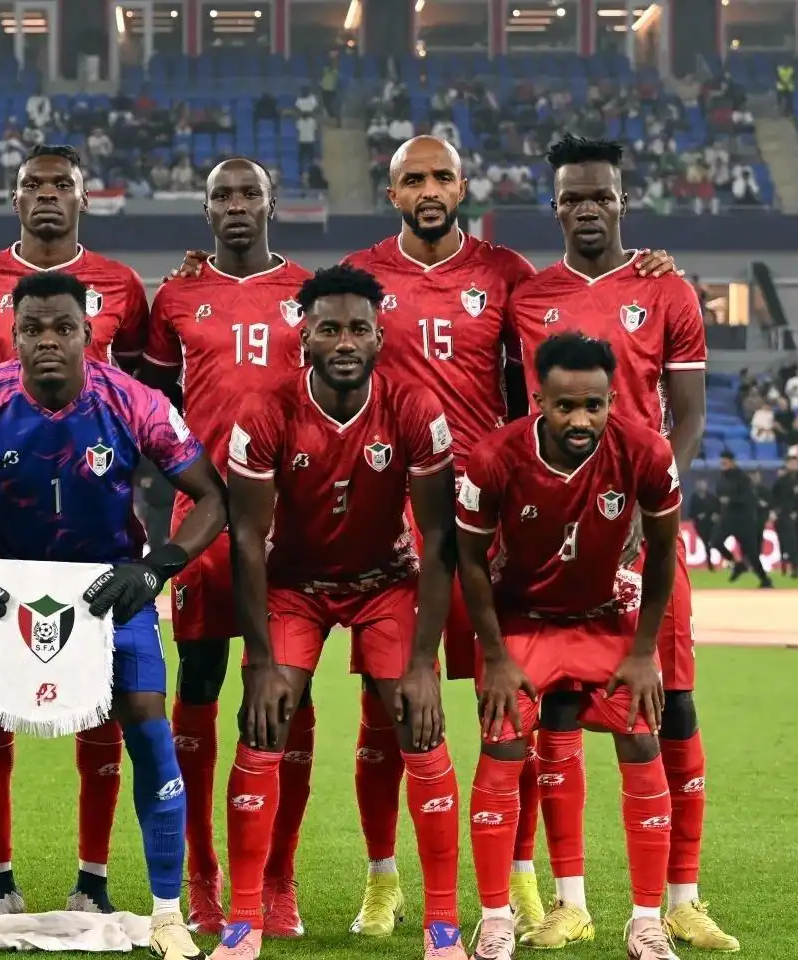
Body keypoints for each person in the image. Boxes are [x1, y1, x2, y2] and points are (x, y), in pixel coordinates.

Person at [166, 136, 683, 938]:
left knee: (512, 701)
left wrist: (644, 265)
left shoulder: (507, 275)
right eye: (415, 178)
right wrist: (201, 272)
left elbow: (550, 357)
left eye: (442, 175)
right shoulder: (359, 274)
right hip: (385, 521)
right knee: (389, 711)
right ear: (394, 191)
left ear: (463, 185)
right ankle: (382, 880)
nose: (430, 188)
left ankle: (516, 885)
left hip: (492, 522)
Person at [0, 270, 224, 960]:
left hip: (109, 590)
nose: (47, 340)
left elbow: (212, 496)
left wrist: (157, 567)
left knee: (151, 735)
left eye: (62, 328)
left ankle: (168, 917)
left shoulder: (133, 401)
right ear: (14, 336)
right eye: (32, 329)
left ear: (87, 333)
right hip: (5, 592)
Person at [0, 144, 152, 920]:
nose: (47, 195)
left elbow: (148, 391)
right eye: (32, 185)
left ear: (85, 197)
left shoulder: (122, 284)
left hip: (99, 514)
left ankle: (94, 880)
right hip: (0, 516)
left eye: (61, 184)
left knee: (101, 702)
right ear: (14, 198)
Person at [502, 133, 730, 951]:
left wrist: (655, 501)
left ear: (623, 201)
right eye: (573, 197)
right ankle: (571, 901)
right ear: (555, 206)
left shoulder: (667, 289)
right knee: (558, 706)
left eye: (601, 195)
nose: (588, 208)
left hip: (643, 532)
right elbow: (516, 416)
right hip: (557, 538)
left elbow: (689, 416)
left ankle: (682, 898)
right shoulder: (528, 298)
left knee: (673, 704)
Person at [222, 265, 467, 960]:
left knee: (419, 721)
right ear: (303, 336)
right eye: (328, 328)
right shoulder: (265, 410)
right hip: (293, 584)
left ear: (380, 336)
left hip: (384, 581)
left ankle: (443, 926)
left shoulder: (414, 408)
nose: (345, 341)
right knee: (264, 721)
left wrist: (422, 662)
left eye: (359, 328)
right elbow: (246, 539)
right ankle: (243, 920)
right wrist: (261, 661)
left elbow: (439, 537)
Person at [457, 333, 682, 960]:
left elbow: (664, 550)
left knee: (642, 736)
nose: (580, 420)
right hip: (522, 622)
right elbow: (470, 560)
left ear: (612, 401)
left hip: (605, 619)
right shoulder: (495, 456)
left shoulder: (645, 450)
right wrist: (495, 655)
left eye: (593, 405)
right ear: (539, 401)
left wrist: (642, 651)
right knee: (502, 744)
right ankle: (495, 921)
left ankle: (646, 923)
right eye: (565, 407)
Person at [136, 157, 313, 936]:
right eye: (222, 195)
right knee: (201, 680)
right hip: (205, 515)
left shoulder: (310, 293)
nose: (236, 205)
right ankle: (202, 874)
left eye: (249, 193)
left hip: (294, 519)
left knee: (289, 691)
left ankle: (278, 877)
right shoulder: (175, 297)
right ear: (205, 209)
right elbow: (153, 405)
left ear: (273, 202)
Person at [716, 452, 769, 588]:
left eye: (725, 461)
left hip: (743, 520)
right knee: (715, 541)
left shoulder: (742, 477)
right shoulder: (723, 477)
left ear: (732, 462)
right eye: (722, 462)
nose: (723, 464)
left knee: (751, 553)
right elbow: (719, 493)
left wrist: (730, 500)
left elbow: (747, 498)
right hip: (728, 518)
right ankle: (737, 564)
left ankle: (765, 580)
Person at [771, 457, 798, 577]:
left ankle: (796, 563)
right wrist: (775, 511)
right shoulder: (781, 481)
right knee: (789, 541)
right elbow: (774, 497)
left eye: (795, 463)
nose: (793, 465)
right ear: (787, 465)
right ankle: (792, 567)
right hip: (785, 515)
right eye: (790, 463)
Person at [688, 480, 721, 571]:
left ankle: (727, 559)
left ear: (706, 486)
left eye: (703, 485)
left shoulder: (712, 497)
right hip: (701, 525)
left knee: (715, 541)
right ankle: (710, 564)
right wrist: (697, 515)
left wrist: (716, 515)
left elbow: (719, 508)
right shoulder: (694, 499)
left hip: (712, 524)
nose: (701, 487)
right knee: (706, 543)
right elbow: (690, 513)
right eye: (699, 485)